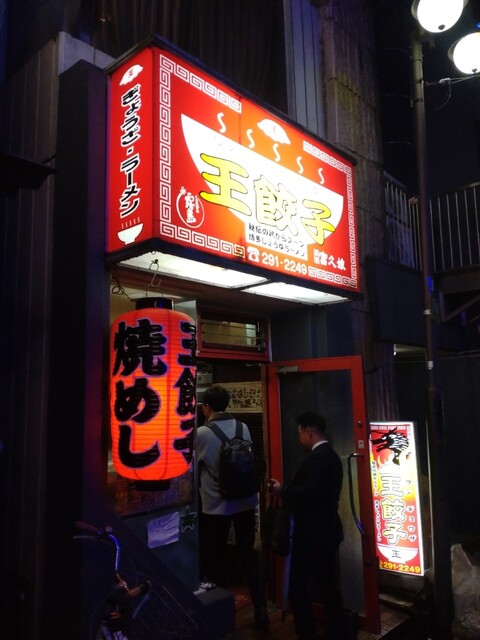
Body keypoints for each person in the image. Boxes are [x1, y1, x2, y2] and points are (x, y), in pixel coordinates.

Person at [270, 411, 356, 640]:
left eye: (299, 433)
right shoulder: (332, 457)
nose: (299, 439)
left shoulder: (316, 459)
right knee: (328, 584)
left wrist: (282, 491)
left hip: (311, 533)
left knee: (298, 584)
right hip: (328, 530)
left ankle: (307, 631)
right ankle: (338, 630)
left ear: (309, 431)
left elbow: (309, 493)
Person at [196, 384, 268, 629]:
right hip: (245, 501)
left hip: (217, 506)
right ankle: (260, 608)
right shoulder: (243, 427)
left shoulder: (202, 433)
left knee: (215, 558)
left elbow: (195, 466)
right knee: (248, 555)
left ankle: (222, 616)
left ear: (206, 407)